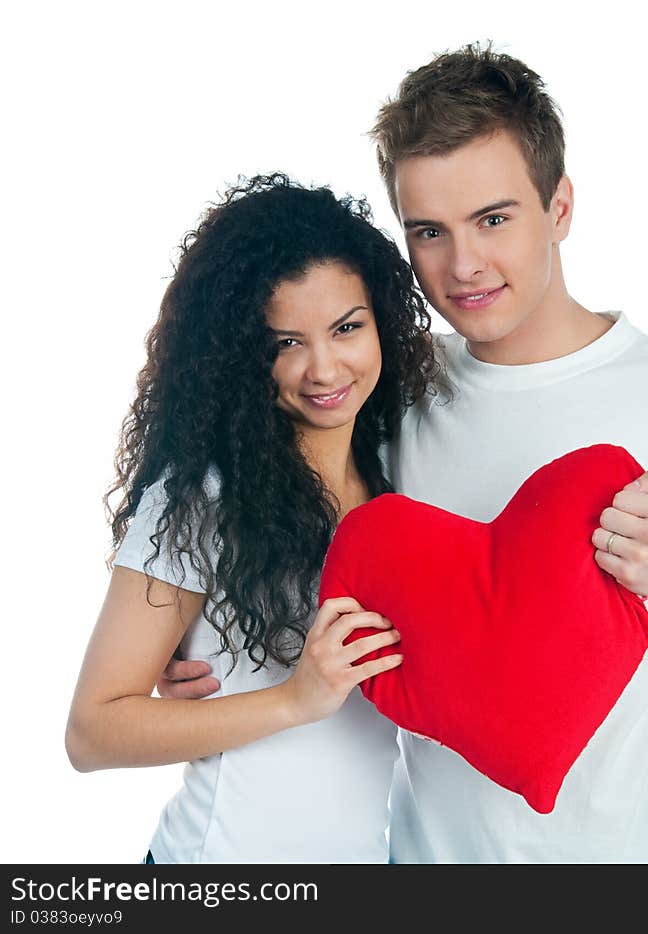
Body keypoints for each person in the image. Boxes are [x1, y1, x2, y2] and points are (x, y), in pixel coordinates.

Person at [363, 43, 648, 862]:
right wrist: (209, 664)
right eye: (429, 231)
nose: (463, 264)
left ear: (561, 209)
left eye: (494, 219)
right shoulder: (387, 392)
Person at [65, 174, 436, 863]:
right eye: (284, 343)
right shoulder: (200, 499)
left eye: (347, 328)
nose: (324, 367)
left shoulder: (404, 469)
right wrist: (296, 699)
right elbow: (92, 731)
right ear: (241, 356)